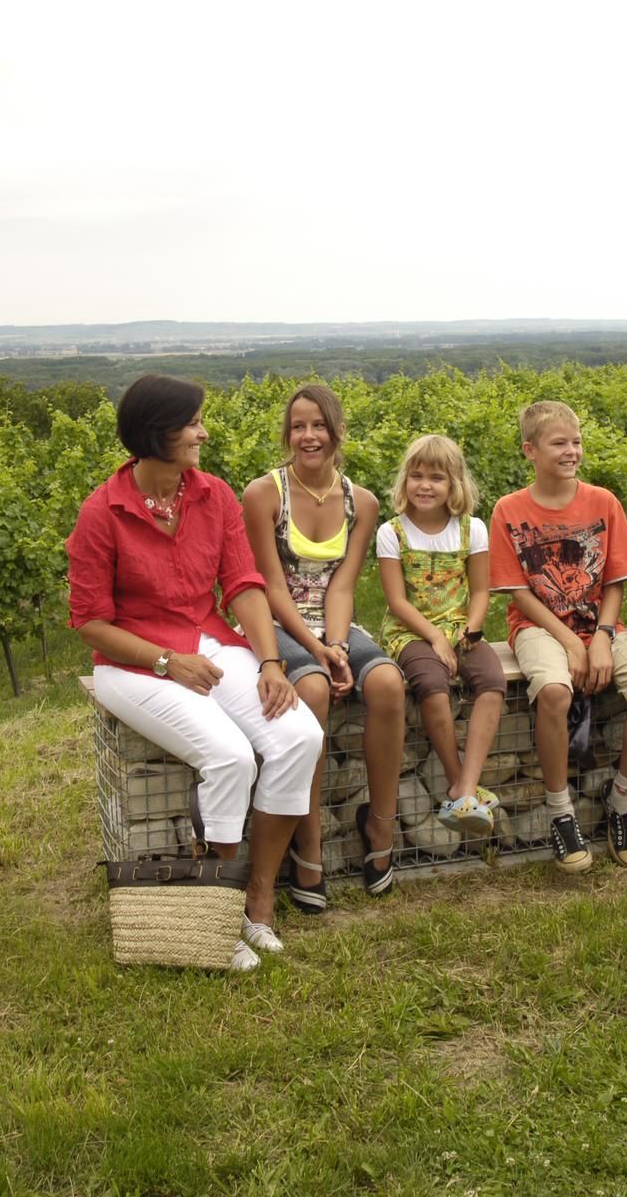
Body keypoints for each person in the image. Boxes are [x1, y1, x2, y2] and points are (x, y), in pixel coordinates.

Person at [67, 374, 323, 972]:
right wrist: (165, 661)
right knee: (231, 756)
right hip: (133, 663)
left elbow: (242, 584)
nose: (203, 433)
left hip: (210, 642)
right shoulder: (101, 513)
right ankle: (214, 910)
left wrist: (270, 661)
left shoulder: (214, 495)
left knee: (300, 736)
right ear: (157, 433)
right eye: (193, 423)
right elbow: (89, 622)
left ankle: (256, 899)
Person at [242, 384, 407, 904]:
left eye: (318, 425)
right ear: (287, 435)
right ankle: (306, 844)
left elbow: (341, 585)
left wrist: (335, 644)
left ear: (337, 431)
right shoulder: (263, 494)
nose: (308, 436)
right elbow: (269, 585)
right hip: (276, 623)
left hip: (330, 622)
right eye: (298, 426)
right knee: (311, 690)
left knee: (386, 682)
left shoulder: (362, 502)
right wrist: (318, 655)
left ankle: (381, 826)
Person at [489, 401, 627, 872]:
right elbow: (517, 594)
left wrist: (603, 637)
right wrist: (570, 644)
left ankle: (623, 802)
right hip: (537, 625)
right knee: (552, 691)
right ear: (530, 450)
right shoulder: (508, 510)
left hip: (599, 622)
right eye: (559, 443)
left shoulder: (603, 502)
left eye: (577, 442)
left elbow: (614, 581)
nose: (572, 451)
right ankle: (559, 812)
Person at [375, 433, 508, 837]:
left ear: (454, 484)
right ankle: (460, 787)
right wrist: (435, 638)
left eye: (436, 477)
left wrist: (467, 632)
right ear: (405, 482)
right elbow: (397, 601)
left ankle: (464, 788)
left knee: (492, 681)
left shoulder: (472, 530)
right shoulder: (392, 532)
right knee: (432, 683)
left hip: (459, 626)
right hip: (412, 630)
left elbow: (481, 591)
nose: (425, 485)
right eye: (416, 476)